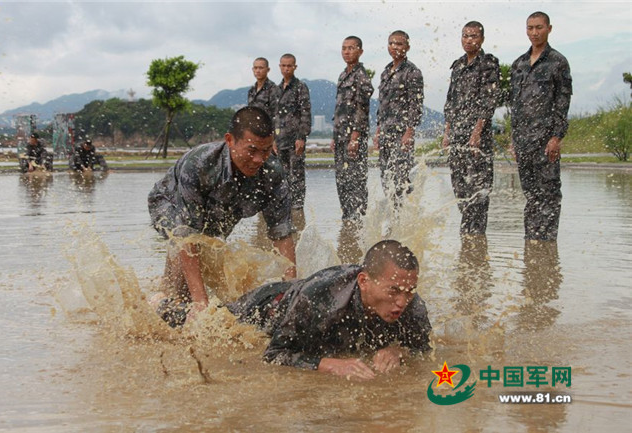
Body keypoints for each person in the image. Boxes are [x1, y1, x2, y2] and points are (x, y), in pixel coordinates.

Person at [156, 239, 431, 380]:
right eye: (393, 291)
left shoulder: (411, 303)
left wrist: (399, 350)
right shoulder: (321, 296)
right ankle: (160, 304)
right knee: (208, 323)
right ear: (364, 281)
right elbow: (274, 355)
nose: (401, 303)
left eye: (408, 292)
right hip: (267, 309)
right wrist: (329, 364)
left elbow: (424, 348)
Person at [148, 107, 297, 317]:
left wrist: (291, 292)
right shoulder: (199, 164)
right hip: (169, 202)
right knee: (185, 290)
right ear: (229, 140)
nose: (258, 160)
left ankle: (174, 293)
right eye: (251, 150)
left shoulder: (272, 173)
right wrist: (201, 304)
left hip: (221, 208)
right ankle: (160, 300)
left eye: (265, 151)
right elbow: (186, 235)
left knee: (212, 259)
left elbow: (282, 234)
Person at [510, 11, 572, 241]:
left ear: (549, 29)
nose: (534, 33)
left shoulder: (558, 62)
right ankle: (533, 245)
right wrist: (513, 140)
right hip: (523, 141)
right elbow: (514, 105)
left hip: (546, 141)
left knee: (549, 194)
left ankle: (547, 245)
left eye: (538, 27)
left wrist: (556, 137)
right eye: (530, 28)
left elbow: (563, 102)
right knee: (531, 195)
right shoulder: (519, 64)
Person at [442, 21, 501, 235]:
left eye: (474, 36)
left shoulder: (488, 63)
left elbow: (489, 100)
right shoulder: (457, 66)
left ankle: (476, 237)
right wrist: (447, 133)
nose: (469, 40)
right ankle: (467, 236)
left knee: (478, 189)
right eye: (465, 36)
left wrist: (477, 133)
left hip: (477, 138)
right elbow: (450, 101)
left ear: (482, 39)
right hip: (457, 136)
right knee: (460, 187)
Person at [374, 30, 424, 208]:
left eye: (399, 44)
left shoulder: (412, 72)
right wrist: (378, 130)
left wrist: (409, 132)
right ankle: (392, 217)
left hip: (401, 135)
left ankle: (404, 218)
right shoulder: (386, 72)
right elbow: (382, 105)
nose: (395, 47)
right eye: (391, 43)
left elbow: (415, 105)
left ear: (407, 47)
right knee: (386, 178)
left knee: (401, 178)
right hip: (386, 134)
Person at [330, 36, 374, 223]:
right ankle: (347, 217)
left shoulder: (361, 76)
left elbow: (362, 108)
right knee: (342, 179)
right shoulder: (342, 75)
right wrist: (334, 136)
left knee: (355, 179)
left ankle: (358, 218)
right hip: (340, 136)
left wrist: (355, 136)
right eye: (344, 48)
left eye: (351, 48)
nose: (347, 51)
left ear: (360, 51)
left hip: (354, 137)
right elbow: (339, 108)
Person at [275, 53, 312, 211]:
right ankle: (285, 206)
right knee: (281, 175)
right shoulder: (276, 90)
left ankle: (298, 209)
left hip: (294, 139)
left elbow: (305, 112)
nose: (286, 68)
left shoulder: (300, 87)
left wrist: (301, 137)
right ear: (279, 67)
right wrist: (273, 140)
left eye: (289, 65)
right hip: (279, 140)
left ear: (295, 67)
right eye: (283, 65)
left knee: (296, 175)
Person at [247, 57, 281, 123]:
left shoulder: (273, 89)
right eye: (255, 68)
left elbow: (277, 114)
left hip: (268, 128)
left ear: (268, 70)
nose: (258, 71)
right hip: (253, 128)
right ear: (253, 69)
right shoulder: (251, 90)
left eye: (261, 68)